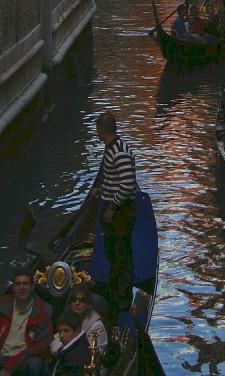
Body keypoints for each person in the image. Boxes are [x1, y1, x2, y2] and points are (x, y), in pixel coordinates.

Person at [93, 111, 137, 325]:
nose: (97, 133)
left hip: (121, 211)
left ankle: (122, 298)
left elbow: (127, 184)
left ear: (102, 130)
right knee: (113, 251)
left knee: (121, 253)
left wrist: (112, 207)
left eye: (97, 130)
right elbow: (115, 178)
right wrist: (102, 189)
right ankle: (115, 290)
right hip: (115, 208)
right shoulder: (112, 148)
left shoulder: (118, 151)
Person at [0, 269, 52, 375]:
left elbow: (41, 346)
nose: (21, 288)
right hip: (1, 356)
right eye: (18, 284)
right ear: (13, 287)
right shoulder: (2, 304)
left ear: (32, 287)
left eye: (25, 284)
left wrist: (10, 367)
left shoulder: (44, 310)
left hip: (24, 359)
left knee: (35, 364)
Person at [50, 285, 107, 356]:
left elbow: (96, 353)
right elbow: (55, 343)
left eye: (82, 300)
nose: (77, 303)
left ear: (88, 304)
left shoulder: (96, 325)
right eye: (74, 300)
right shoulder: (66, 318)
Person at [45, 311, 91, 376]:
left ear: (77, 331)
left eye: (66, 331)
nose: (61, 335)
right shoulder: (69, 349)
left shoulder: (79, 353)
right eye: (60, 331)